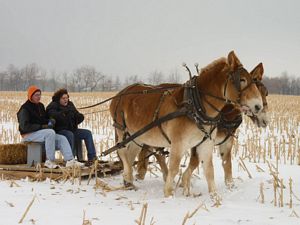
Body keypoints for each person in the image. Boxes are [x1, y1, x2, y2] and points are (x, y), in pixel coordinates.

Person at [17, 85, 84, 169]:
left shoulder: (40, 106)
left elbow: (44, 119)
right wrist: (42, 126)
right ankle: (49, 161)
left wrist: (50, 120)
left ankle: (70, 160)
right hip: (28, 134)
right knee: (50, 133)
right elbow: (24, 127)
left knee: (62, 138)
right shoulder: (25, 108)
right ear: (30, 96)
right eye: (36, 95)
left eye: (39, 95)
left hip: (40, 133)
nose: (38, 97)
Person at [46, 88, 97, 165]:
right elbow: (57, 117)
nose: (66, 100)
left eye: (67, 98)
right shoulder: (53, 106)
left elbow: (76, 115)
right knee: (70, 134)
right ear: (58, 99)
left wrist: (79, 117)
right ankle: (70, 159)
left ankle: (92, 158)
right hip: (60, 131)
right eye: (63, 98)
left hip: (72, 129)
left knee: (87, 133)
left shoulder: (70, 105)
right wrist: (66, 114)